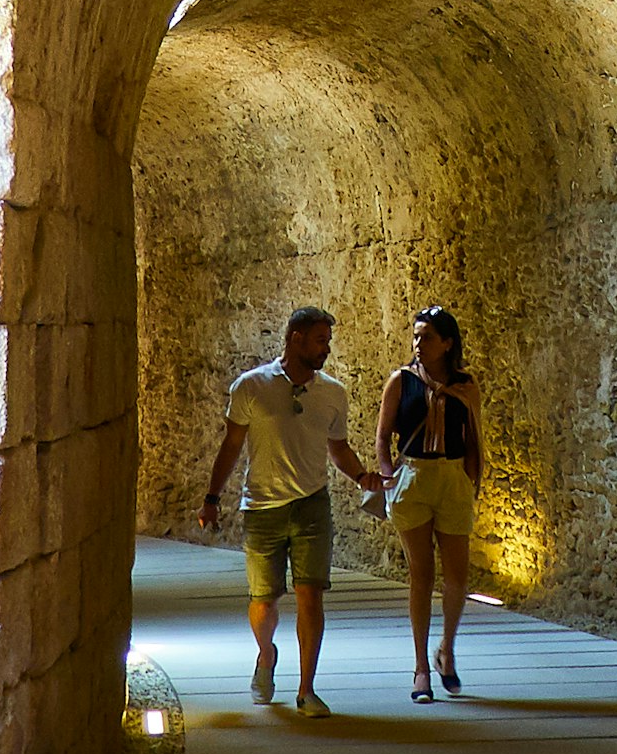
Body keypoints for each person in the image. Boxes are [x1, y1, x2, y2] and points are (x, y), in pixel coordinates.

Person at [199, 306, 385, 717]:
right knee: (264, 601)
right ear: (296, 338)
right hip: (262, 506)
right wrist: (212, 498)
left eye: (328, 342)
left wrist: (361, 477)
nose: (326, 350)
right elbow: (231, 445)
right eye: (320, 340)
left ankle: (306, 690)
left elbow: (338, 447)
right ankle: (266, 654)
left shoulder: (333, 392)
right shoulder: (251, 387)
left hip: (311, 504)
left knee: (311, 596)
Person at [375, 306, 485, 700]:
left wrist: (471, 480)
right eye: (416, 337)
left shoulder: (464, 386)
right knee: (421, 573)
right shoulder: (400, 382)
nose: (418, 344)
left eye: (426, 337)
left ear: (447, 343)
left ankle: (447, 650)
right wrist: (389, 477)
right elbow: (383, 435)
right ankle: (421, 666)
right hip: (414, 479)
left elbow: (473, 436)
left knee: (457, 575)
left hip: (451, 477)